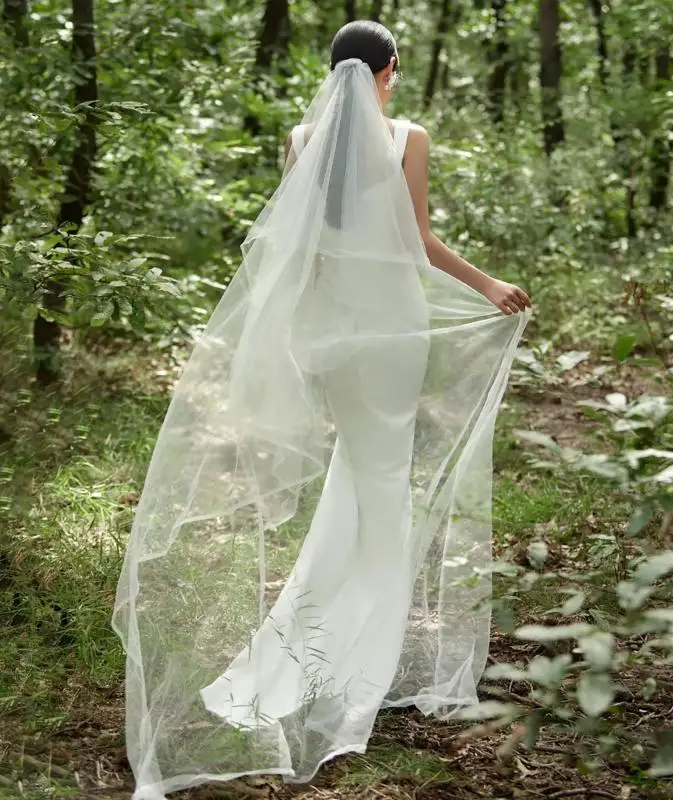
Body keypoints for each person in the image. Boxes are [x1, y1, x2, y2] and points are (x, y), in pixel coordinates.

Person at [112, 20, 531, 800]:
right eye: (394, 69)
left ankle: (320, 638)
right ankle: (361, 657)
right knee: (383, 480)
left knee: (360, 470)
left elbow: (298, 251)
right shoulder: (408, 135)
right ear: (388, 70)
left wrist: (301, 340)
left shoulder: (302, 140)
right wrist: (489, 287)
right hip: (394, 328)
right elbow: (418, 241)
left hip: (335, 332)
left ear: (333, 71)